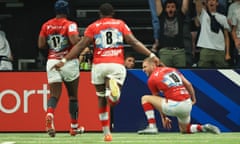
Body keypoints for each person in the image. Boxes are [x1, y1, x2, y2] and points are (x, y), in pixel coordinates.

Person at [52, 3, 164, 142]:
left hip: (99, 65)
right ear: (113, 13)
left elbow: (81, 45)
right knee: (113, 101)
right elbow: (134, 42)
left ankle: (106, 133)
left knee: (100, 98)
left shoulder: (93, 26)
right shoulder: (120, 24)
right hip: (116, 64)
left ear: (100, 14)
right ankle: (112, 95)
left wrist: (64, 60)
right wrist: (151, 55)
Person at [138, 57, 221, 134]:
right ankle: (202, 127)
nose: (143, 70)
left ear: (153, 65)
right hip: (187, 104)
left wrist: (164, 117)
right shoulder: (172, 69)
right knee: (184, 130)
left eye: (145, 67)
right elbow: (188, 84)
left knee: (145, 98)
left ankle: (152, 126)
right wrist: (193, 99)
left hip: (175, 105)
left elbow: (156, 98)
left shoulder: (152, 79)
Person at [38, 0, 84, 137]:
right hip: (68, 62)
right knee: (73, 96)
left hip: (52, 61)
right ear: (67, 10)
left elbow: (40, 44)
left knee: (54, 95)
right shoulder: (70, 25)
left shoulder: (46, 25)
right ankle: (73, 127)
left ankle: (50, 114)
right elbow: (75, 41)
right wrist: (82, 40)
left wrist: (52, 49)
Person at [195, 0, 231, 68]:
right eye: (209, 1)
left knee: (223, 71)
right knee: (202, 71)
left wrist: (227, 53)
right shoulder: (203, 15)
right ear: (206, 3)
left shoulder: (223, 18)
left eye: (213, 0)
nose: (211, 2)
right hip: (206, 48)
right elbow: (198, 3)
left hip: (219, 50)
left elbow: (226, 37)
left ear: (217, 3)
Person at [155, 0, 189, 67]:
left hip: (179, 52)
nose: (170, 9)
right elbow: (157, 1)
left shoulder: (180, 16)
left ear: (176, 9)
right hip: (165, 52)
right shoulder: (162, 16)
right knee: (164, 75)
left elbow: (185, 6)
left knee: (181, 75)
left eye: (173, 7)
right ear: (165, 9)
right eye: (168, 7)